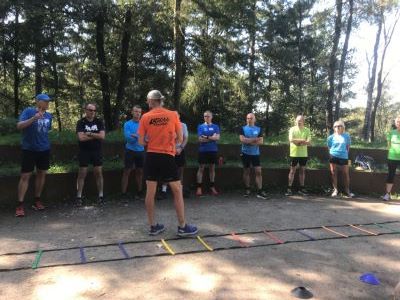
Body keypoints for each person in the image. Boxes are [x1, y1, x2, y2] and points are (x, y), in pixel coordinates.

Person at [138, 90, 198, 236]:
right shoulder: (173, 115)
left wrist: (150, 139)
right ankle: (182, 226)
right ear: (161, 100)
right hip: (166, 156)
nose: (147, 103)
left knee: (150, 192)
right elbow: (179, 138)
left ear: (151, 101)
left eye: (148, 101)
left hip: (151, 156)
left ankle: (153, 226)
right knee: (177, 190)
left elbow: (140, 142)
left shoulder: (145, 117)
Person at [15, 94, 53, 217]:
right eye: (45, 101)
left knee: (42, 174)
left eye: (48, 101)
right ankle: (20, 205)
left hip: (44, 149)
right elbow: (19, 126)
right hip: (29, 150)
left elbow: (46, 131)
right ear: (38, 102)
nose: (47, 103)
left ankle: (37, 200)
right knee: (25, 176)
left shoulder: (49, 115)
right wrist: (33, 118)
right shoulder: (28, 111)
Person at [75, 103, 106, 206]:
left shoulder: (99, 122)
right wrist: (96, 136)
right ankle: (79, 197)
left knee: (98, 173)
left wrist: (90, 134)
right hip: (84, 151)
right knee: (82, 173)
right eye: (90, 110)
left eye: (94, 110)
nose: (92, 112)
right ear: (86, 110)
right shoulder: (81, 122)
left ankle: (101, 196)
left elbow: (102, 136)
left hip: (97, 151)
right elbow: (81, 138)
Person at [160, 112, 189, 199]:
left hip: (180, 150)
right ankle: (163, 191)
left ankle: (179, 190)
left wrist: (181, 148)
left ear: (179, 117)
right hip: (169, 151)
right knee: (166, 170)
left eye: (177, 116)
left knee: (180, 171)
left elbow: (185, 138)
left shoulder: (183, 125)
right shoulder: (167, 125)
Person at [239, 113, 268, 199]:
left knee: (258, 172)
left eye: (251, 118)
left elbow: (261, 141)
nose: (249, 120)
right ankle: (247, 189)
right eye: (248, 118)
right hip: (245, 153)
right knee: (246, 172)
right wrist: (255, 139)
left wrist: (249, 140)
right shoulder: (243, 128)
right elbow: (242, 140)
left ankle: (259, 191)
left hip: (255, 154)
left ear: (254, 119)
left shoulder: (259, 129)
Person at [121, 105, 144, 200]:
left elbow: (146, 138)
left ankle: (140, 191)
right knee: (127, 171)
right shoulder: (127, 124)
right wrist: (139, 136)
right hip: (129, 150)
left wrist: (135, 135)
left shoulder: (144, 124)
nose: (137, 113)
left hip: (141, 151)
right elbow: (128, 138)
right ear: (132, 112)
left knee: (140, 172)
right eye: (136, 111)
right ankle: (123, 193)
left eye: (139, 112)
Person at [285, 115, 312, 196]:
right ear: (295, 121)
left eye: (301, 120)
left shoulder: (307, 130)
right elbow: (291, 140)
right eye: (297, 120)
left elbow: (309, 142)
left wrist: (297, 142)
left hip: (303, 154)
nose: (299, 122)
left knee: (302, 171)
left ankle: (302, 188)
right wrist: (303, 141)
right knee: (292, 171)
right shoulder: (292, 129)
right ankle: (289, 188)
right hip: (294, 153)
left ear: (303, 121)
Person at [196, 110, 220, 196]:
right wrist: (211, 137)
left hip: (213, 150)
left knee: (212, 169)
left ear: (211, 117)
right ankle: (199, 188)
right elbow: (200, 139)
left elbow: (217, 138)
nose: (206, 118)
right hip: (203, 150)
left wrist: (206, 137)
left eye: (208, 116)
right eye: (205, 116)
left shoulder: (216, 126)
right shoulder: (200, 126)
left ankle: (212, 187)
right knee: (201, 168)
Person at [327, 120, 354, 198]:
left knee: (346, 173)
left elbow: (348, 147)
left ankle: (347, 190)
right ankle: (335, 190)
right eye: (335, 126)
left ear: (343, 127)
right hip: (333, 156)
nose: (337, 128)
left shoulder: (347, 136)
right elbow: (329, 147)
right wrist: (332, 154)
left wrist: (344, 154)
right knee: (333, 173)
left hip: (344, 157)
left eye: (339, 126)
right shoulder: (330, 137)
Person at [382, 116, 400, 201]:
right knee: (390, 175)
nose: (399, 123)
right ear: (395, 123)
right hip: (392, 157)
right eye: (398, 122)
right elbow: (389, 146)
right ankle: (387, 194)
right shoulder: (391, 132)